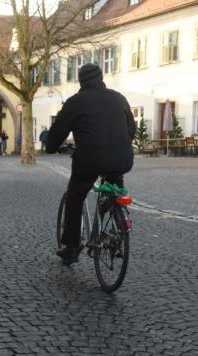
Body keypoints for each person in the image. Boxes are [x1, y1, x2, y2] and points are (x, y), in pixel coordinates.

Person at [47, 63, 135, 265]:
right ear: (101, 77)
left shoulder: (76, 102)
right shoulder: (119, 98)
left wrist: (51, 147)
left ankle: (71, 248)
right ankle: (112, 213)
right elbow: (131, 129)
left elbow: (57, 131)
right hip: (121, 158)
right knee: (115, 184)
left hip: (89, 160)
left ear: (81, 81)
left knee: (75, 198)